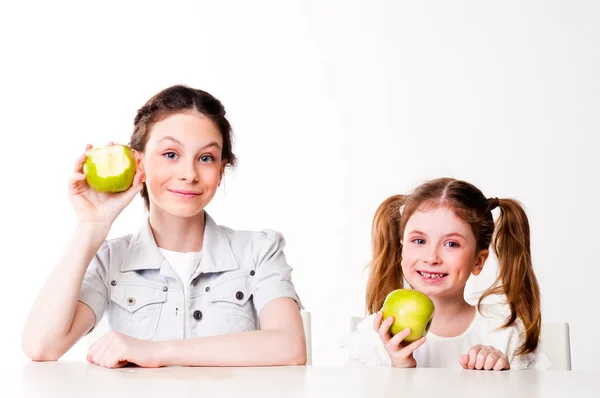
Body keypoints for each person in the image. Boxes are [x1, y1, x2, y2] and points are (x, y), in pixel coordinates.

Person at [22, 85, 306, 368]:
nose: (189, 174)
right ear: (138, 162)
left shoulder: (259, 251)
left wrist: (156, 351)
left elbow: (289, 347)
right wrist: (90, 226)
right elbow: (41, 346)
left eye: (206, 158)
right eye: (171, 154)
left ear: (221, 170)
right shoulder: (110, 260)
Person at [343, 177, 552, 370]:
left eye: (451, 244)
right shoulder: (374, 336)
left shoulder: (505, 334)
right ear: (402, 250)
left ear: (478, 261)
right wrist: (399, 368)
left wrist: (503, 377)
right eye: (419, 241)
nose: (432, 257)